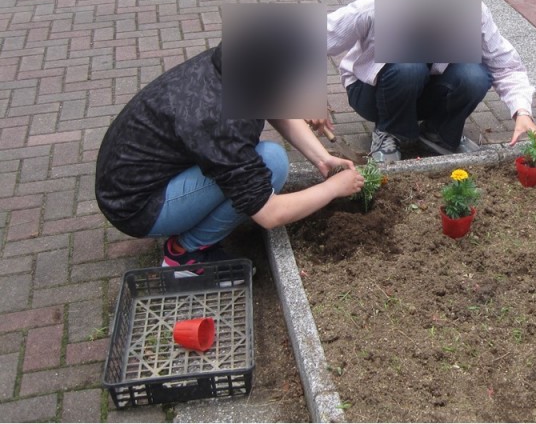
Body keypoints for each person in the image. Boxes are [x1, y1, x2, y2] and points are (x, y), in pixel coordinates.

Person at [95, 41, 365, 276]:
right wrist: (332, 188)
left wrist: (322, 159)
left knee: (266, 159)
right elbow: (271, 215)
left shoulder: (233, 66)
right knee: (271, 164)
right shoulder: (221, 122)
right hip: (138, 207)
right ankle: (184, 255)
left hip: (138, 177)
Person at [322, 0, 536, 163]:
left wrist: (522, 112)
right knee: (409, 66)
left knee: (474, 75)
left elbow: (506, 66)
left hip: (425, 88)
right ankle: (388, 130)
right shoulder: (376, 7)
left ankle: (439, 132)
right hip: (370, 92)